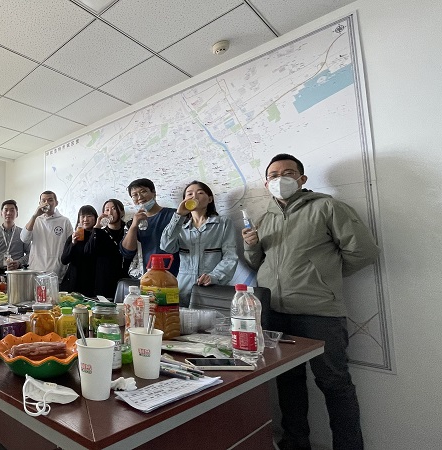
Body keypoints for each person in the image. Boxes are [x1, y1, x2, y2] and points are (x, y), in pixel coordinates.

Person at [242, 154, 379, 450]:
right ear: (266, 183)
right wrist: (251, 247)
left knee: (335, 384)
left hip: (319, 313)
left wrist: (322, 277)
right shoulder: (264, 218)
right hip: (275, 313)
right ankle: (295, 443)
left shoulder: (327, 207)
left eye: (288, 172)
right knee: (288, 382)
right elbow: (258, 263)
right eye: (273, 175)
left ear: (302, 179)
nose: (280, 179)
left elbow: (364, 252)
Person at [161, 181, 238, 306]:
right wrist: (179, 215)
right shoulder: (180, 226)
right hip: (183, 289)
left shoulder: (223, 223)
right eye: (189, 194)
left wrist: (214, 276)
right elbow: (166, 246)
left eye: (200, 193)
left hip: (212, 288)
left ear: (210, 199)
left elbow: (230, 257)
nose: (194, 196)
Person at [120, 178, 179, 278]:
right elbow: (127, 252)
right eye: (134, 195)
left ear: (154, 193)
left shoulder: (174, 215)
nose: (140, 197)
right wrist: (134, 226)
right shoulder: (131, 223)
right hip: (146, 276)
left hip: (174, 275)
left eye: (143, 191)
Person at [20, 191, 73, 280]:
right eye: (43, 200)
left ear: (56, 203)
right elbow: (24, 239)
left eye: (50, 200)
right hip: (36, 270)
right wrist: (34, 216)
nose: (46, 203)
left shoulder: (64, 221)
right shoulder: (35, 220)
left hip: (56, 271)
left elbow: (70, 245)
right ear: (39, 203)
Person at [84, 199, 131, 298]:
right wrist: (97, 227)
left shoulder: (128, 230)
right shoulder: (99, 232)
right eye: (107, 209)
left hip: (126, 279)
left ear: (122, 212)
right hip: (104, 280)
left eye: (114, 209)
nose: (110, 213)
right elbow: (88, 251)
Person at [0, 200, 31, 274]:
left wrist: (19, 262)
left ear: (17, 214)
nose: (8, 213)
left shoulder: (23, 233)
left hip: (17, 273)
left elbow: (30, 253)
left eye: (12, 210)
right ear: (1, 213)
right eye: (6, 210)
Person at [60, 205, 98, 296]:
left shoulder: (98, 236)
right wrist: (73, 243)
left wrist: (96, 230)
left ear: (95, 218)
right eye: (82, 216)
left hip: (92, 282)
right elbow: (64, 260)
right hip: (73, 281)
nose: (85, 219)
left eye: (89, 216)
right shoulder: (74, 236)